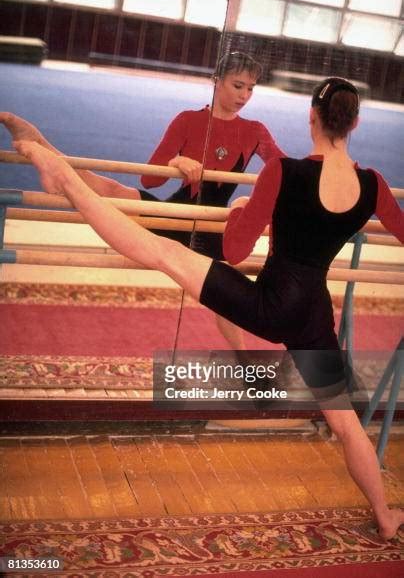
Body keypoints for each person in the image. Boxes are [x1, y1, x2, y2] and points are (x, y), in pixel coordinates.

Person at [11, 76, 404, 539]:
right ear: (355, 122)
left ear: (311, 118)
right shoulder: (374, 184)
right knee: (344, 423)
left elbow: (235, 251)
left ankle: (66, 182)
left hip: (267, 304)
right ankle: (384, 514)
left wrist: (239, 209)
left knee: (161, 252)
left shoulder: (285, 173)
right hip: (313, 313)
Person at [0, 51, 285, 351]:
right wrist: (177, 161)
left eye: (251, 88)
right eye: (238, 85)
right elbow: (149, 180)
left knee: (226, 301)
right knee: (110, 190)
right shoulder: (188, 120)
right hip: (171, 216)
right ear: (217, 81)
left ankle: (244, 360)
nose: (245, 95)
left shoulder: (255, 131)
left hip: (213, 229)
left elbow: (284, 169)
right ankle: (41, 145)